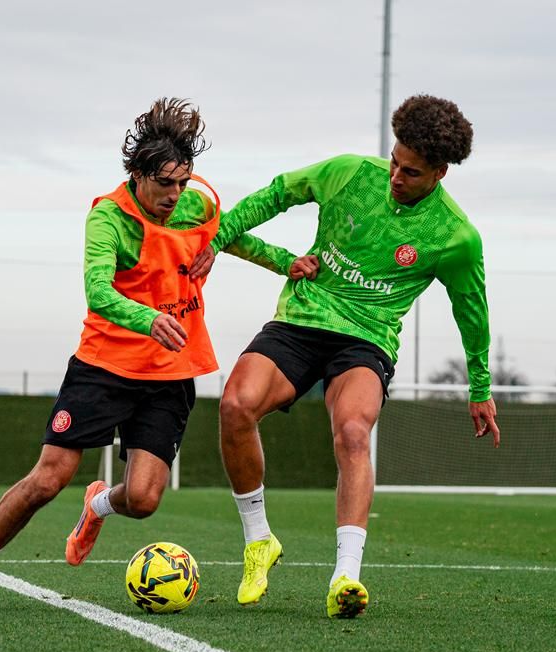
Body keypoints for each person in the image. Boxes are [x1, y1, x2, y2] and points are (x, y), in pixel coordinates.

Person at [0, 98, 310, 613]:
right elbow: (98, 291)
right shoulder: (109, 218)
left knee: (143, 500)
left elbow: (235, 241)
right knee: (48, 479)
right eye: (164, 184)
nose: (175, 195)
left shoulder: (194, 207)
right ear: (137, 175)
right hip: (103, 367)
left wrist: (289, 263)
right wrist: (147, 319)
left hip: (169, 375)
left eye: (183, 183)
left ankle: (97, 505)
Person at [197, 94, 501, 618]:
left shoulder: (455, 236)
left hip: (366, 339)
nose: (395, 176)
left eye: (411, 172)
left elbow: (471, 311)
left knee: (354, 433)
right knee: (235, 405)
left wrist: (480, 387)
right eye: (394, 161)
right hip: (303, 318)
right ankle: (258, 540)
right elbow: (279, 192)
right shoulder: (349, 173)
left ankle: (346, 576)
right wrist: (219, 236)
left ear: (440, 173)